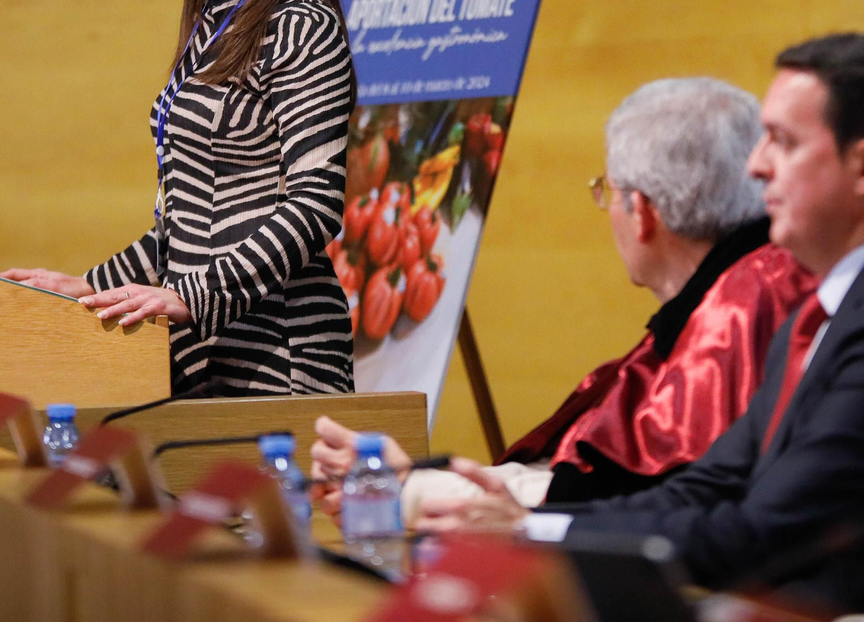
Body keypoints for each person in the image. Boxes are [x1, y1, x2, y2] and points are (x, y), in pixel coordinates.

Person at [415, 34, 864, 615]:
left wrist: (533, 533)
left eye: (780, 142)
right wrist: (527, 525)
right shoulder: (836, 301)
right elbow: (707, 486)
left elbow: (762, 534)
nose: (756, 167)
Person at [311, 78, 816, 519]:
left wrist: (415, 488)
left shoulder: (736, 311)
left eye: (606, 191)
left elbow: (629, 496)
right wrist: (415, 479)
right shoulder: (761, 280)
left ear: (640, 213)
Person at [2, 0, 356, 396]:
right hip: (202, 349)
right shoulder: (216, 25)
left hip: (278, 354)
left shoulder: (302, 27)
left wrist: (195, 296)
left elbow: (316, 207)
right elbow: (183, 228)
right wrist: (90, 288)